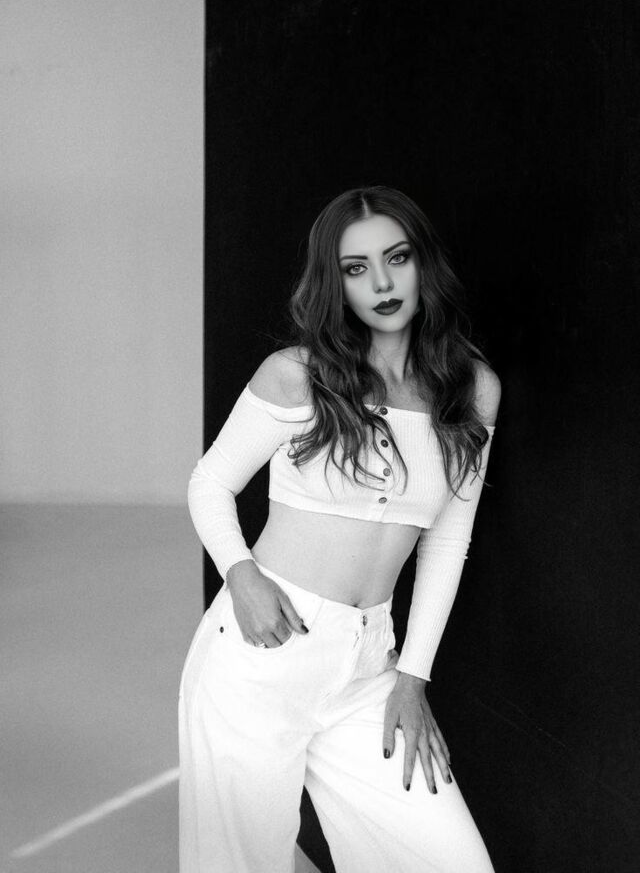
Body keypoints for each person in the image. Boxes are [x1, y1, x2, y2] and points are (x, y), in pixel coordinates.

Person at [179, 185, 501, 873]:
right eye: (357, 268)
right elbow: (210, 482)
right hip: (263, 651)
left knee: (451, 862)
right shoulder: (297, 376)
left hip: (368, 666)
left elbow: (448, 540)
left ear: (423, 263)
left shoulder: (471, 389)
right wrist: (241, 575)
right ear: (336, 282)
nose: (382, 283)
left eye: (397, 258)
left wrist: (413, 678)